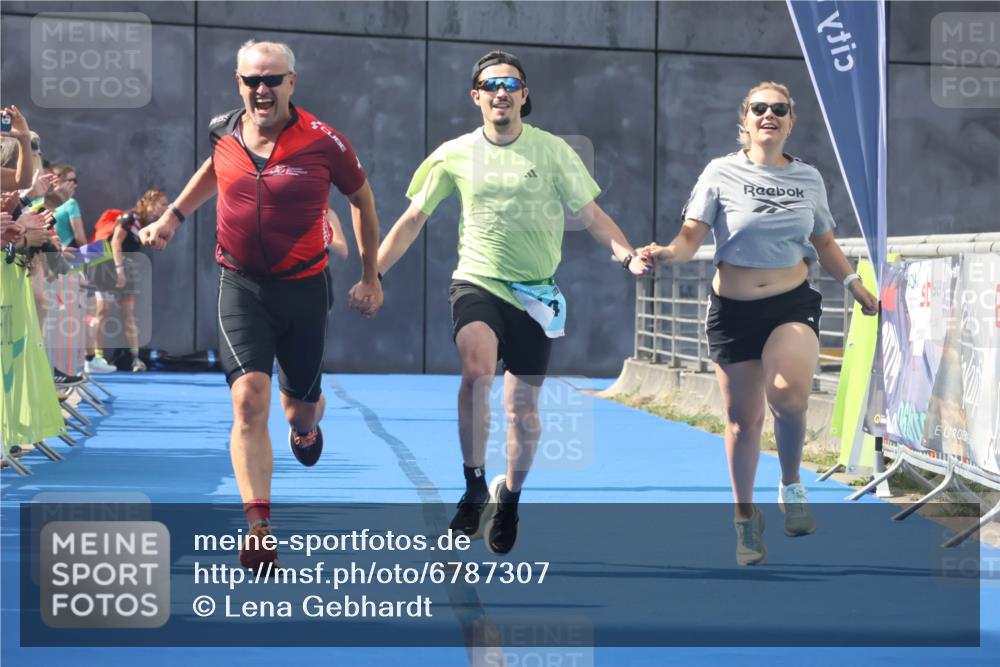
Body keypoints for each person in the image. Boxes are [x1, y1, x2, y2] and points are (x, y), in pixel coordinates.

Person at [374, 50, 651, 555]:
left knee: (521, 409)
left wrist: (626, 256)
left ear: (524, 95)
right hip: (477, 282)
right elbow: (413, 219)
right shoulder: (453, 153)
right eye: (491, 84)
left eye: (511, 83)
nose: (501, 91)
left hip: (536, 294)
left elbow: (591, 215)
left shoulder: (552, 152)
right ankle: (474, 483)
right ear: (476, 96)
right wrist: (373, 273)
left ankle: (511, 499)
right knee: (476, 371)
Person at [141, 39, 382, 570]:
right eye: (251, 80)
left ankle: (307, 426)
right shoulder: (223, 129)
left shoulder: (325, 142)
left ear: (292, 83)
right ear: (238, 83)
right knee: (249, 400)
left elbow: (361, 199)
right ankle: (259, 523)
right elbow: (213, 169)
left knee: (298, 407)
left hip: (304, 287)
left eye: (272, 79)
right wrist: (172, 218)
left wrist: (370, 275)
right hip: (241, 284)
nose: (261, 90)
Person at [641, 81, 879, 566]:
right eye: (759, 108)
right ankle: (745, 520)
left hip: (791, 302)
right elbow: (689, 239)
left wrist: (853, 283)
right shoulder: (720, 173)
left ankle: (791, 485)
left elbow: (826, 243)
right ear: (744, 120)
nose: (768, 115)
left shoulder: (808, 178)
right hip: (733, 310)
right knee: (741, 421)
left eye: (779, 109)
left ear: (791, 122)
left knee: (790, 393)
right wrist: (664, 254)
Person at [95, 188, 169, 372]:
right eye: (163, 204)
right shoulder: (128, 218)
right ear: (150, 203)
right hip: (107, 267)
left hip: (127, 270)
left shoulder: (146, 224)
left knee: (128, 314)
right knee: (102, 312)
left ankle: (136, 360)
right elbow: (115, 242)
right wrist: (119, 269)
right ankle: (96, 358)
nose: (165, 208)